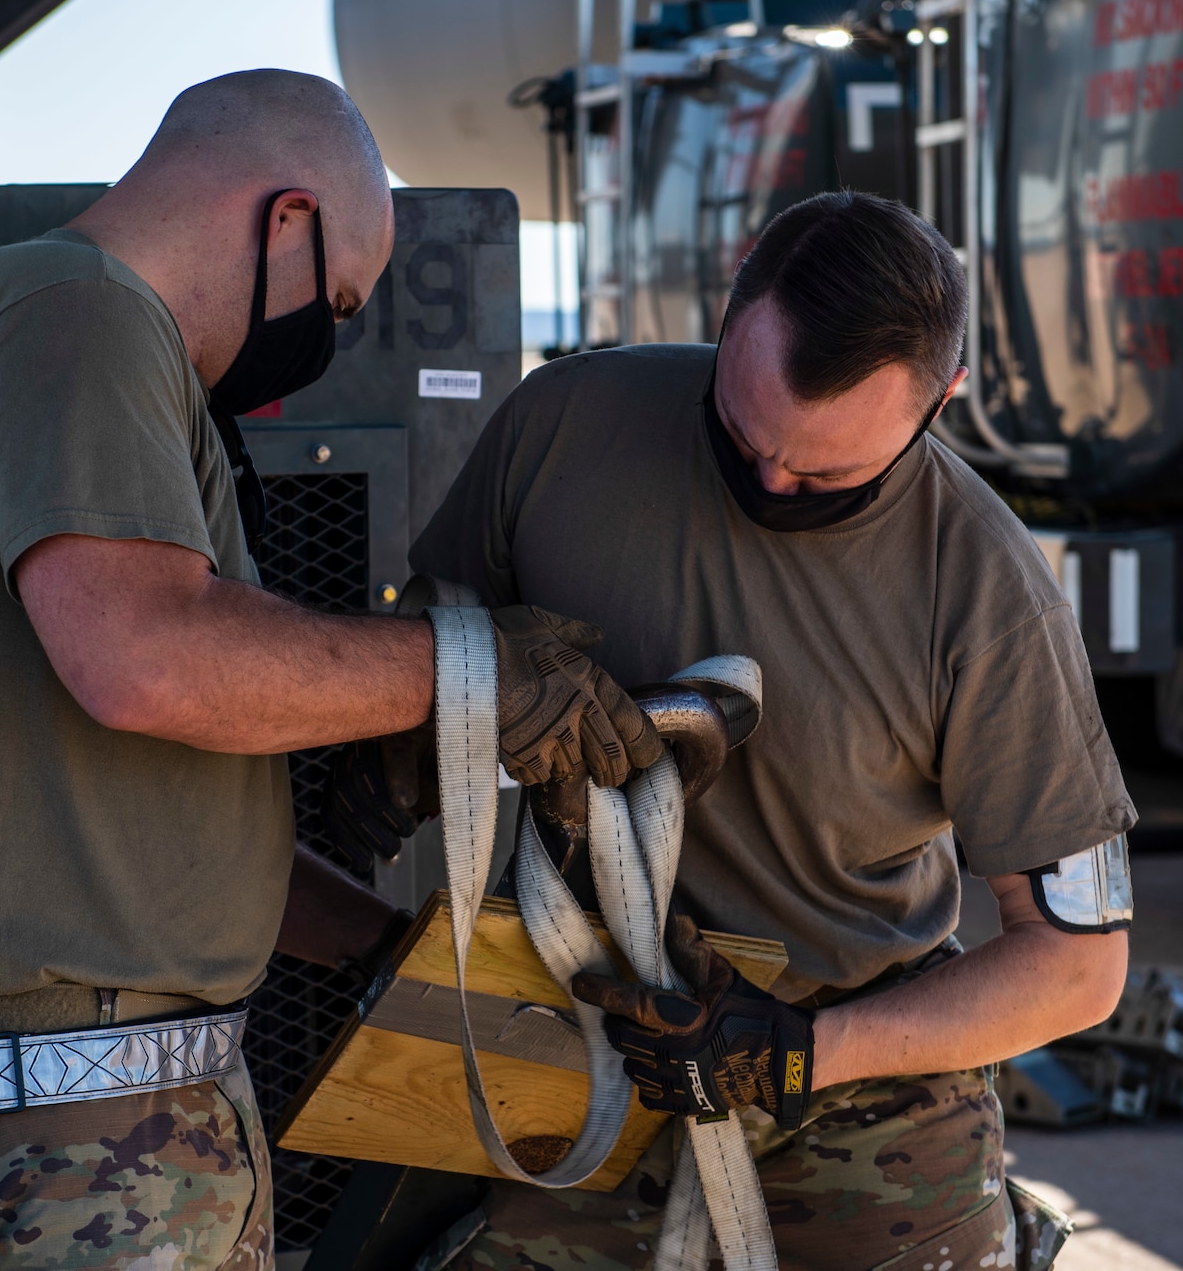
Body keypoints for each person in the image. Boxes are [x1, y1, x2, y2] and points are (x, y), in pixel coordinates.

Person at [0, 70, 661, 1271]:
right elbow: (148, 663)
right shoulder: (72, 307)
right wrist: (477, 674)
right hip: (41, 1136)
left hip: (68, 1124)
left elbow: (118, 812)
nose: (326, 335)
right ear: (286, 217)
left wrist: (382, 953)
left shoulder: (81, 332)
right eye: (338, 298)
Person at [365, 191, 1135, 1270]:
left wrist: (796, 1054)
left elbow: (1074, 967)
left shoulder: (991, 600)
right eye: (740, 434)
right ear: (730, 312)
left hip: (846, 1060)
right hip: (578, 1027)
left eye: (822, 473)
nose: (769, 483)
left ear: (942, 398)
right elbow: (422, 655)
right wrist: (397, 740)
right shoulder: (562, 425)